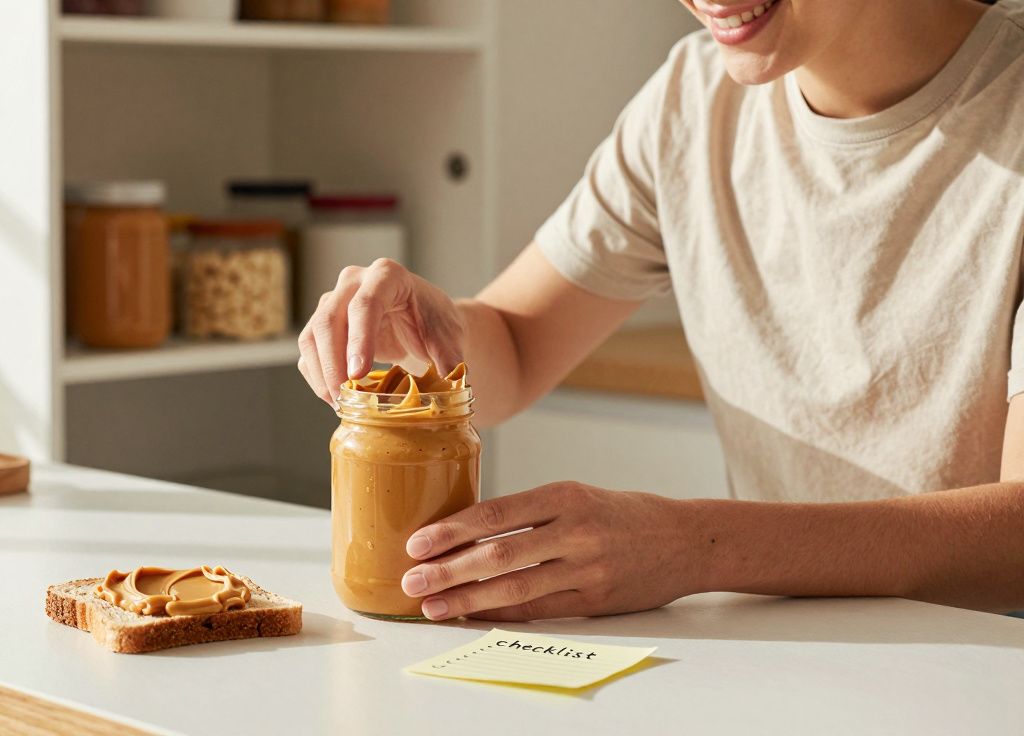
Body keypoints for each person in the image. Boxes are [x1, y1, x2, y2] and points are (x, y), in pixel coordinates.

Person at [296, 0, 1024, 621]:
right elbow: (514, 350)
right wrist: (434, 330)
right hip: (796, 665)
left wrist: (692, 546)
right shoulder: (692, 98)